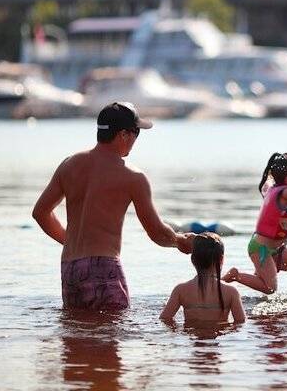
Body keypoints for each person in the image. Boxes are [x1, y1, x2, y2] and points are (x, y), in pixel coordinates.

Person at [32, 101, 194, 311]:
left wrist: (69, 240)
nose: (136, 139)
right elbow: (156, 232)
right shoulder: (133, 177)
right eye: (136, 132)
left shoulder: (68, 164)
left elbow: (40, 213)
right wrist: (180, 241)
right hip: (104, 268)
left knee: (75, 337)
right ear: (123, 135)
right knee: (110, 337)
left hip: (70, 268)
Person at [223, 152, 287, 294]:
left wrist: (272, 173)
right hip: (260, 248)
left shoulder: (272, 188)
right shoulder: (285, 194)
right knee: (270, 288)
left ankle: (264, 271)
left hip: (276, 248)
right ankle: (236, 275)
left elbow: (269, 183)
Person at [160, 233, 245, 324]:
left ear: (193, 260)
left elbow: (165, 319)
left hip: (191, 336)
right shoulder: (231, 292)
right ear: (221, 259)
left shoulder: (181, 290)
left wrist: (178, 331)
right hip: (220, 336)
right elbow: (240, 322)